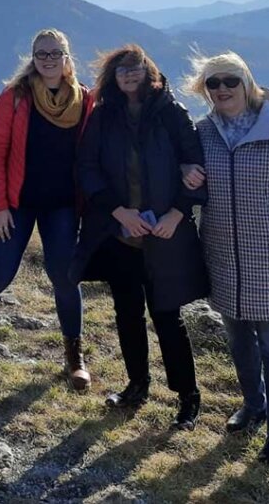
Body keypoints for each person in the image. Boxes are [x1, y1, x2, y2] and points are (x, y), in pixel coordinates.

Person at [186, 51, 269, 467]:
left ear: (247, 83)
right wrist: (185, 173)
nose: (222, 89)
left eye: (230, 81)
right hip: (222, 254)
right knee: (238, 339)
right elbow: (188, 174)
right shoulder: (203, 132)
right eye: (213, 83)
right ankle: (253, 405)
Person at [0, 30, 93, 389]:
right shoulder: (15, 96)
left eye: (55, 53)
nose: (48, 59)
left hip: (63, 205)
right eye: (42, 53)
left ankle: (74, 359)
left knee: (65, 278)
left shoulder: (83, 100)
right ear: (33, 57)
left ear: (67, 57)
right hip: (16, 205)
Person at [72, 45, 209, 429]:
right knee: (127, 313)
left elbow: (197, 167)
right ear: (112, 77)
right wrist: (119, 212)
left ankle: (188, 397)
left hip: (165, 234)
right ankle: (137, 385)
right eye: (122, 69)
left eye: (136, 68)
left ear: (150, 72)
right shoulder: (103, 116)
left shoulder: (171, 112)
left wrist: (176, 214)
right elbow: (87, 168)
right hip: (122, 234)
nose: (130, 74)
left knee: (167, 316)